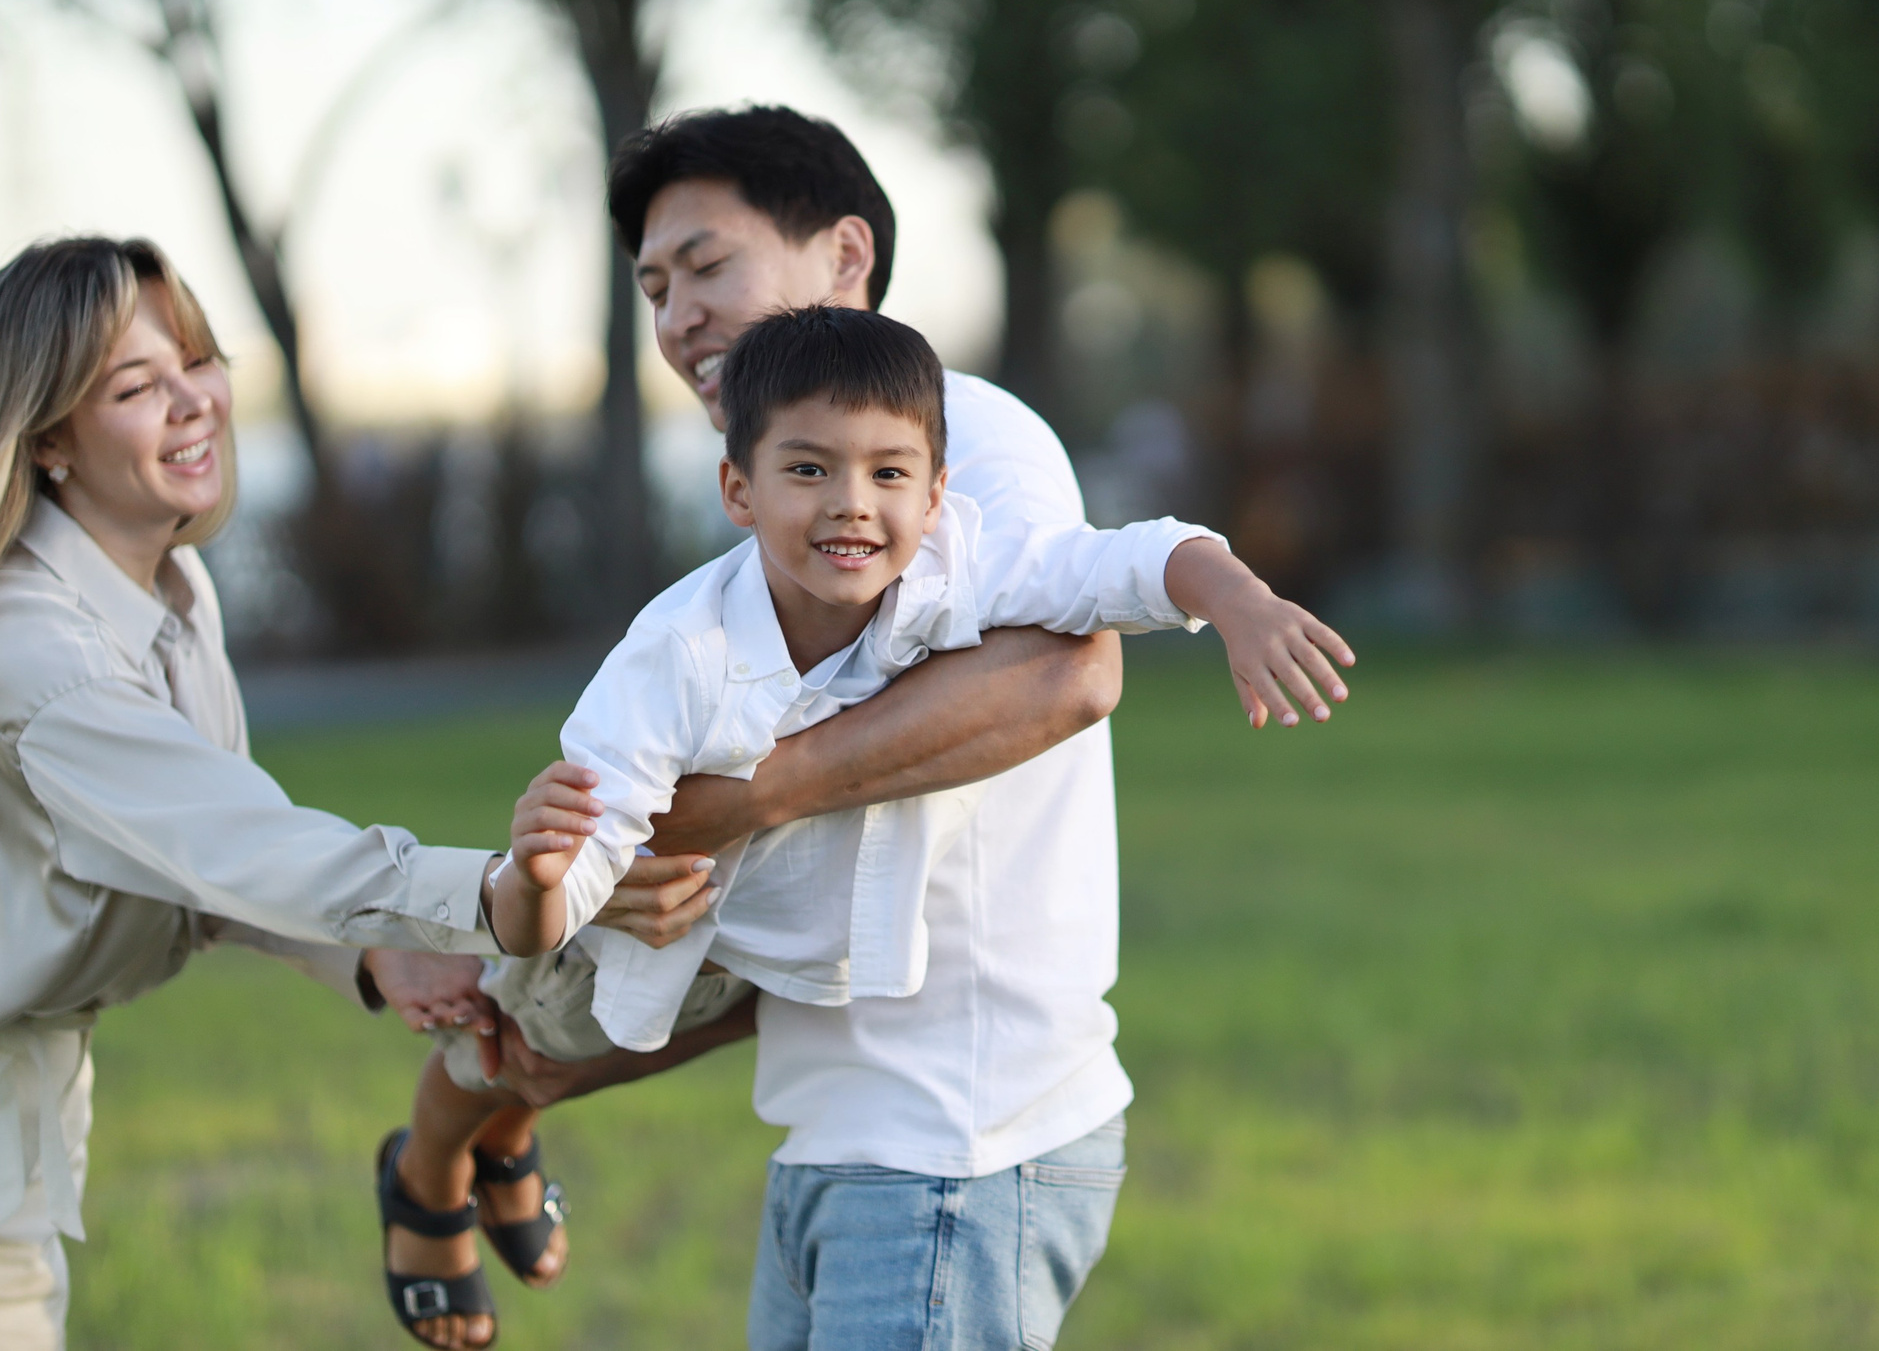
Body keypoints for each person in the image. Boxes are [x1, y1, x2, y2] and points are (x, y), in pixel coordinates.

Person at [393, 106, 1352, 1351]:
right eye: (654, 287)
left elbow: (1071, 673)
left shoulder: (957, 436)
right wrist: (588, 874)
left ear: (846, 257)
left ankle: (452, 1154)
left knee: (551, 1013)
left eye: (707, 263)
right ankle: (455, 1151)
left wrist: (740, 801)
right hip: (840, 1119)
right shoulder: (750, 556)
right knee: (544, 1013)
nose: (678, 314)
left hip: (959, 1125)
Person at [0, 237, 573, 1351]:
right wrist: (495, 895)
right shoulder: (23, 650)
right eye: (135, 386)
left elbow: (192, 855)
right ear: (46, 437)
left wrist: (370, 954)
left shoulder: (170, 587)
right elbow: (241, 842)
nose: (194, 400)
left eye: (197, 361)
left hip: (11, 1148)